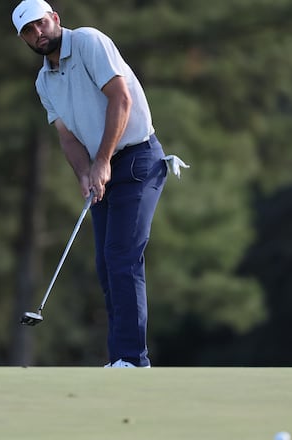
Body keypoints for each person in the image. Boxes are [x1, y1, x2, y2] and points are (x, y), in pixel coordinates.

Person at [12, 0, 187, 368]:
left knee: (122, 257)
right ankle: (120, 359)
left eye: (41, 24)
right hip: (102, 167)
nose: (37, 34)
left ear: (55, 19)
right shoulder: (44, 81)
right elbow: (67, 138)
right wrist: (84, 174)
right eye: (28, 31)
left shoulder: (90, 41)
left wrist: (103, 161)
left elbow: (120, 99)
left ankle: (132, 359)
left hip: (138, 158)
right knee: (106, 265)